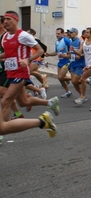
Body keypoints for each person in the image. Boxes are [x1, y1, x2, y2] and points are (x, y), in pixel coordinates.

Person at [0, 11, 58, 143]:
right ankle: (50, 103)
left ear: (16, 20)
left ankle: (3, 128)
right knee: (23, 102)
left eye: (9, 19)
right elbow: (8, 54)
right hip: (10, 73)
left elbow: (40, 50)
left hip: (20, 73)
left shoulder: (23, 35)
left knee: (5, 101)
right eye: (4, 20)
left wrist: (28, 59)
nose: (6, 22)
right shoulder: (5, 37)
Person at [45, 28, 72, 97]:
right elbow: (56, 52)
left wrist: (68, 55)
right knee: (60, 78)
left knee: (60, 77)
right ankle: (68, 91)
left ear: (63, 34)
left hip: (67, 61)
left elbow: (72, 49)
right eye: (56, 34)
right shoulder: (57, 42)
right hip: (60, 61)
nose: (57, 35)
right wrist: (49, 54)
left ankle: (77, 79)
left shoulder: (66, 40)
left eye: (58, 34)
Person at [76, 27, 91, 104]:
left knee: (82, 79)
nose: (85, 34)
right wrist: (73, 51)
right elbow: (80, 53)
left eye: (88, 32)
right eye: (85, 32)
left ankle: (83, 97)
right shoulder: (83, 43)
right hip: (87, 64)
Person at [67, 28, 84, 99]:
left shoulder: (80, 41)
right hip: (73, 63)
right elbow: (71, 53)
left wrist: (77, 55)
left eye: (71, 32)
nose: (70, 34)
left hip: (79, 64)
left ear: (76, 33)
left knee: (74, 81)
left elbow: (82, 54)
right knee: (74, 82)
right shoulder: (71, 42)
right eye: (69, 32)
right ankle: (82, 95)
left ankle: (83, 95)